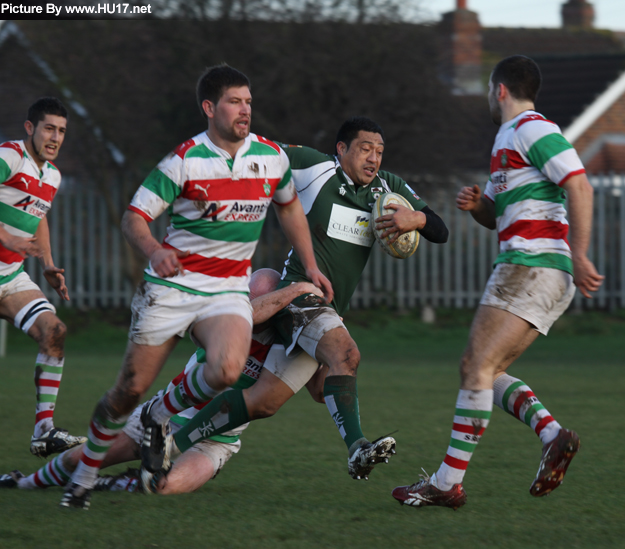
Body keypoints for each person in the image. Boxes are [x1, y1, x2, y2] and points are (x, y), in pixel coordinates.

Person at [61, 65, 332, 509]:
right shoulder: (184, 159)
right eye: (234, 101)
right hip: (172, 288)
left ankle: (159, 415)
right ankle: (83, 476)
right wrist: (154, 251)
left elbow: (289, 209)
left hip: (225, 290)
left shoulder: (270, 156)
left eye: (248, 101)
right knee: (126, 390)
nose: (245, 110)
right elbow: (134, 217)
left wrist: (309, 265)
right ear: (210, 107)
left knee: (227, 368)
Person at [153, 116, 449, 482]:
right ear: (341, 150)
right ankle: (357, 449)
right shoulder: (316, 166)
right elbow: (262, 155)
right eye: (364, 149)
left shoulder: (388, 191)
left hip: (329, 310)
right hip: (301, 296)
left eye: (379, 151)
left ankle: (168, 446)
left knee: (263, 403)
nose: (374, 158)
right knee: (347, 354)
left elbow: (441, 229)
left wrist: (415, 218)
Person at [392, 55, 604, 510]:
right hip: (536, 270)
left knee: (473, 365)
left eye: (489, 90)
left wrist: (582, 253)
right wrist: (478, 207)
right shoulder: (506, 140)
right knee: (486, 372)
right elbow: (494, 215)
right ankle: (552, 434)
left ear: (500, 90)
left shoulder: (532, 129)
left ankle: (447, 483)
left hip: (531, 266)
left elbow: (580, 185)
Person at [1, 270, 327, 502]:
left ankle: (106, 485)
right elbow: (252, 312)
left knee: (164, 487)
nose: (243, 302)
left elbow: (317, 393)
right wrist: (295, 289)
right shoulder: (227, 321)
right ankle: (25, 482)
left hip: (215, 442)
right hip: (160, 422)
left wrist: (329, 353)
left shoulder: (287, 343)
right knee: (82, 458)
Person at [0, 97, 85, 458]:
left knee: (54, 331)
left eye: (61, 131)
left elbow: (40, 214)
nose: (55, 137)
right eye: (49, 128)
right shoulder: (9, 157)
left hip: (9, 278)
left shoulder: (51, 174)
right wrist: (7, 238)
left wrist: (48, 263)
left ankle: (44, 431)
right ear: (30, 128)